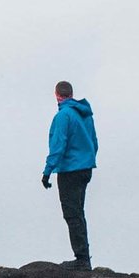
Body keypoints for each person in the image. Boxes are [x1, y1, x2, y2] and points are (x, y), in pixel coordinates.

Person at [41, 81, 98, 268]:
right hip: (85, 168)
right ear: (71, 94)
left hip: (70, 171)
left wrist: (47, 171)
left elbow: (58, 145)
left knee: (72, 214)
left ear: (57, 95)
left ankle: (82, 259)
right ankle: (84, 257)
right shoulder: (85, 115)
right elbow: (94, 142)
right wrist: (88, 160)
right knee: (78, 212)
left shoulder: (63, 116)